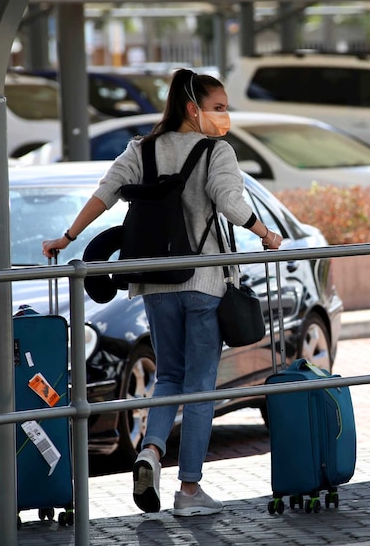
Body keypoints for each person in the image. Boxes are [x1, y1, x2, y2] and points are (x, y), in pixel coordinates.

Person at [42, 68, 282, 517]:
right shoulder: (217, 151)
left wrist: (67, 236)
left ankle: (151, 451)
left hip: (153, 280)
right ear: (193, 108)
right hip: (203, 282)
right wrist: (264, 231)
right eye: (219, 107)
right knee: (199, 386)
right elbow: (229, 200)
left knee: (169, 375)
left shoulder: (142, 148)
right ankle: (188, 490)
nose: (225, 115)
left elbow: (106, 193)